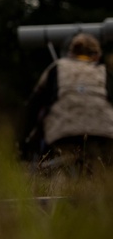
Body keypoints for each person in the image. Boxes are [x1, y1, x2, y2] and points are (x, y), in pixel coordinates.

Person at [22, 32, 113, 171]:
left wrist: (22, 144)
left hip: (62, 135)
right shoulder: (105, 72)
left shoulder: (56, 68)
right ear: (97, 55)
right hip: (104, 136)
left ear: (70, 53)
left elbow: (33, 106)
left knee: (61, 170)